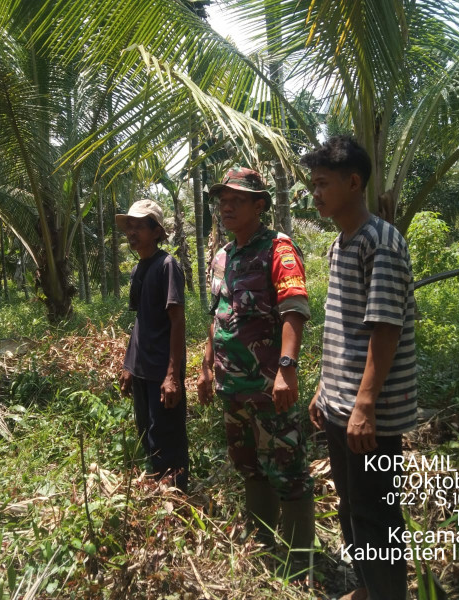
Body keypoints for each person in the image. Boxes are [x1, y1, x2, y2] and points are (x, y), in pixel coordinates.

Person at [303, 136, 417, 600]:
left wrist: (364, 404)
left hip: (371, 412)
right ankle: (370, 589)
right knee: (350, 505)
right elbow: (342, 327)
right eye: (312, 184)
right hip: (339, 404)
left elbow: (385, 329)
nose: (315, 192)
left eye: (322, 183)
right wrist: (323, 388)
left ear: (354, 182)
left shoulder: (382, 242)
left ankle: (390, 593)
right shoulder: (340, 244)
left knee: (375, 512)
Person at [196, 167, 314, 578]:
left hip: (269, 388)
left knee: (288, 467)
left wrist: (286, 369)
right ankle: (262, 545)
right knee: (247, 463)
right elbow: (218, 317)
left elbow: (294, 310)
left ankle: (300, 559)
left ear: (259, 205)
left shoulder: (277, 250)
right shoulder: (222, 257)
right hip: (232, 388)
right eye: (221, 200)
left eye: (237, 200)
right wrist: (206, 368)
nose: (225, 206)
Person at [117, 199, 189, 492]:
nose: (132, 232)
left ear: (157, 231)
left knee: (167, 439)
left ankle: (178, 499)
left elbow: (177, 321)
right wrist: (128, 364)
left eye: (139, 226)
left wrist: (173, 375)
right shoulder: (139, 269)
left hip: (162, 373)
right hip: (142, 371)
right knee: (147, 436)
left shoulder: (167, 266)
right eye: (129, 226)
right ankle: (159, 499)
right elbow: (141, 323)